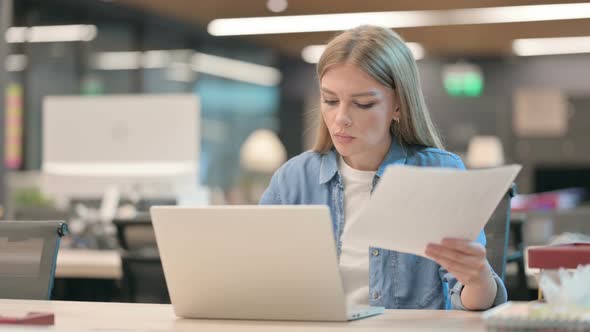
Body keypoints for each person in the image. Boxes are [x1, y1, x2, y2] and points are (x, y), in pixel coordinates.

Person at [259, 25, 507, 310]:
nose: (341, 118)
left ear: (398, 106)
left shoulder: (439, 173)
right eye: (329, 100)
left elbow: (471, 302)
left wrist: (477, 280)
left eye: (362, 104)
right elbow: (261, 282)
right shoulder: (293, 180)